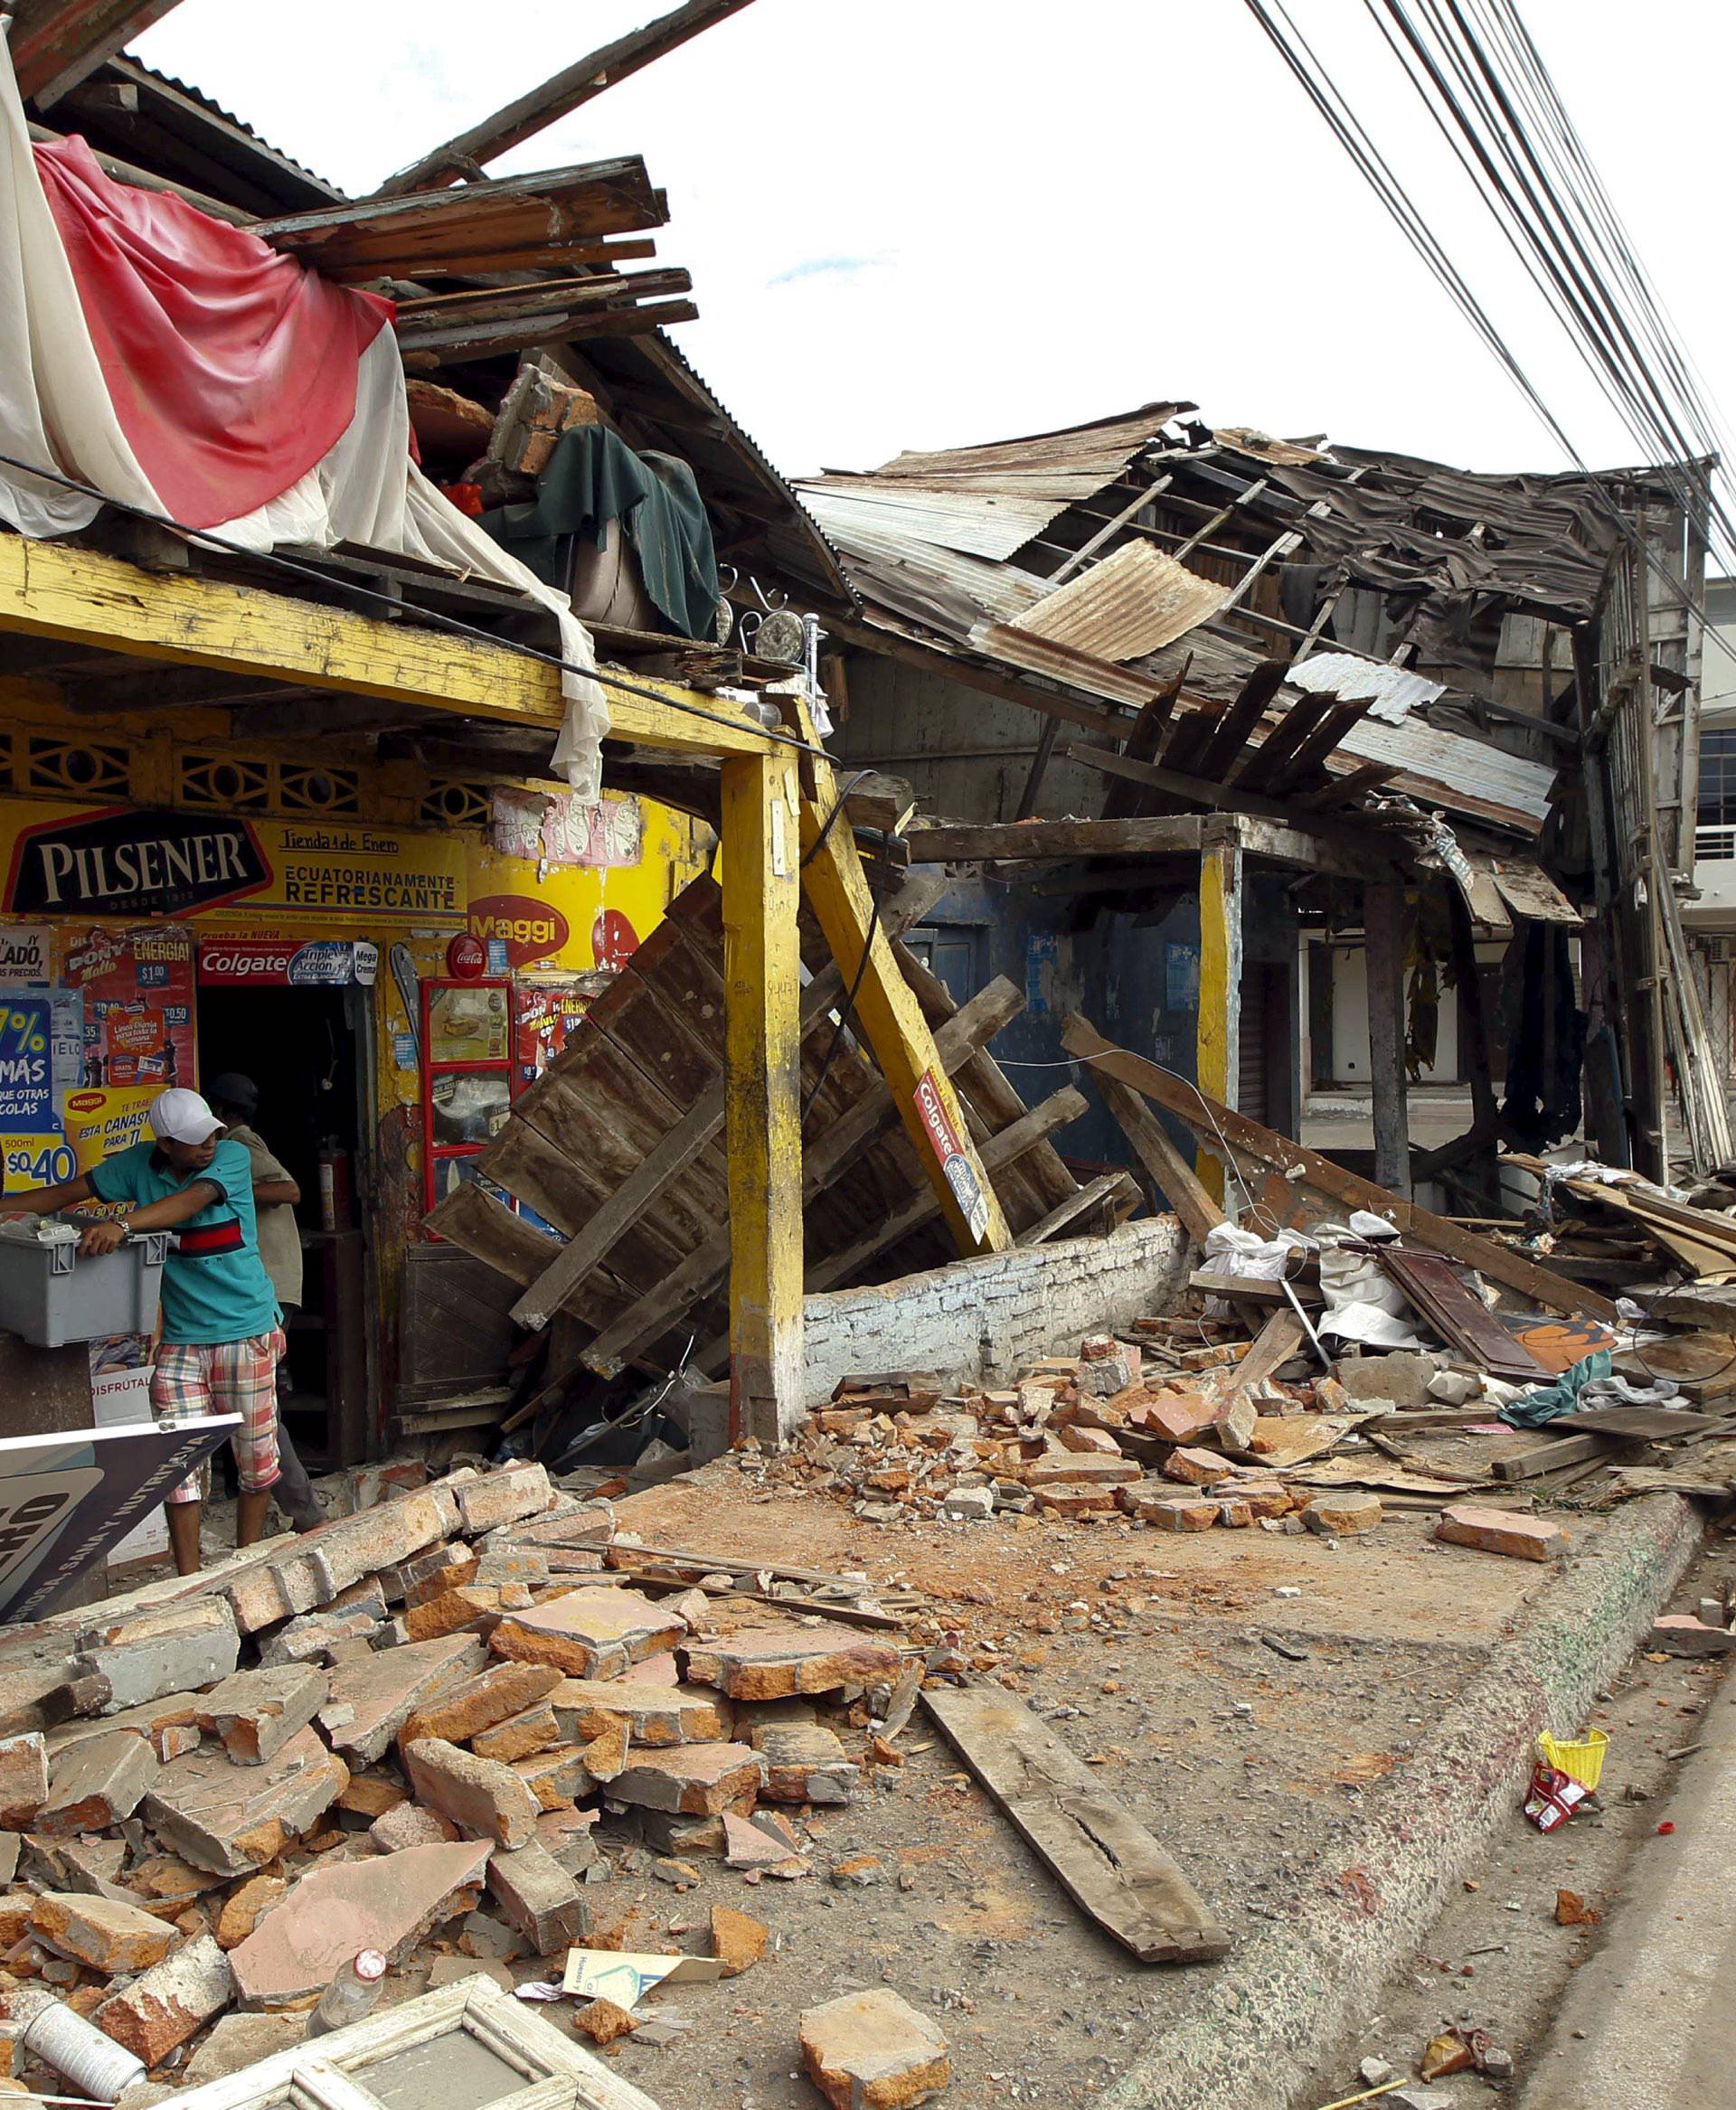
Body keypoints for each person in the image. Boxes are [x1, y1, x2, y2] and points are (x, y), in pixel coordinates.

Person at [5, 1087, 284, 1576]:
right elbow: (68, 1194)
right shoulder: (137, 1164)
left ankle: (247, 1566)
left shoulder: (233, 1157)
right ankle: (187, 1580)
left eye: (212, 1133)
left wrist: (124, 1227)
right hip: (181, 1338)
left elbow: (193, 1201)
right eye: (195, 1140)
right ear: (165, 1144)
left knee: (255, 1460)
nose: (208, 1144)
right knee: (176, 1465)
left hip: (246, 1329)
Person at [205, 1071, 324, 1533]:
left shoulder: (241, 1145)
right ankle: (278, 1500)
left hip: (265, 1291)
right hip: (260, 1289)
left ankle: (305, 1511)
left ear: (222, 1112)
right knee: (253, 1403)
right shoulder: (236, 1145)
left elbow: (288, 1190)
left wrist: (225, 1191)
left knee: (259, 1406)